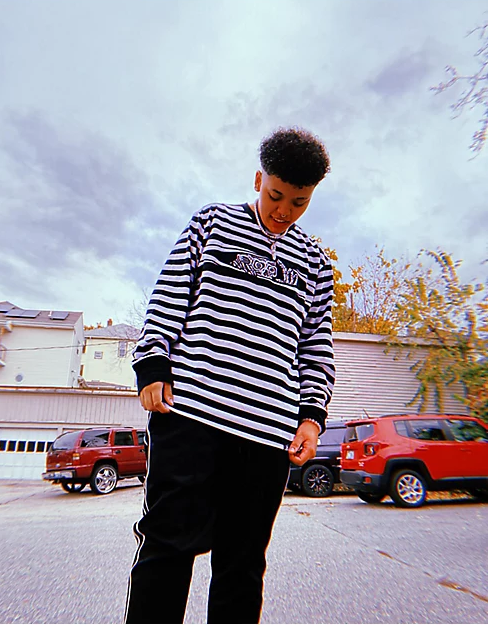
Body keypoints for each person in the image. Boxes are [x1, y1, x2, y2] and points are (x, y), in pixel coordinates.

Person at [124, 127, 335, 625]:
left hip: (266, 434)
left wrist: (311, 417)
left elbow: (315, 346)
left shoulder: (315, 263)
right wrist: (152, 364)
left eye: (299, 203)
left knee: (242, 565)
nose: (283, 212)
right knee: (167, 547)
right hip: (192, 417)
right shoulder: (212, 222)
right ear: (259, 180)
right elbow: (169, 295)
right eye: (275, 196)